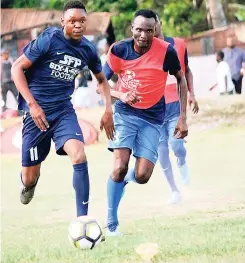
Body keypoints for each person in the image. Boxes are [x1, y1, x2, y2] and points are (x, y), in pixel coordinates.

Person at [11, 1, 114, 218]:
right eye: (72, 21)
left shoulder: (87, 49)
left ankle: (82, 220)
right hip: (35, 115)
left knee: (79, 155)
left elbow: (102, 80)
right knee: (29, 177)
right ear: (63, 22)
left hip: (63, 112)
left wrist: (108, 110)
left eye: (82, 21)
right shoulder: (49, 39)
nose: (78, 25)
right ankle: (29, 184)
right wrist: (32, 105)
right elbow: (16, 68)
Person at [102, 9, 188, 236]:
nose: (143, 35)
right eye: (139, 29)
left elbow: (181, 79)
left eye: (149, 30)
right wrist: (121, 96)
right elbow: (102, 83)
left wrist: (182, 117)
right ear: (132, 28)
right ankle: (112, 222)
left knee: (142, 176)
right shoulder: (119, 50)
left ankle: (122, 182)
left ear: (155, 30)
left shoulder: (166, 51)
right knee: (119, 166)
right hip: (125, 114)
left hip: (152, 118)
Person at [154, 15, 199, 204]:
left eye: (153, 25)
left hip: (175, 105)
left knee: (177, 145)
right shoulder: (144, 51)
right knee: (161, 151)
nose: (150, 29)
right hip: (154, 109)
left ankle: (182, 161)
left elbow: (187, 70)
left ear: (159, 24)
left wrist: (192, 94)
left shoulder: (179, 44)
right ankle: (174, 190)